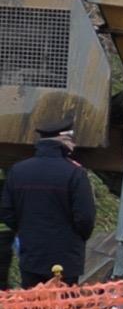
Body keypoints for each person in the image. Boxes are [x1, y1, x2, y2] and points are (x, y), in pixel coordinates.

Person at [0, 118, 96, 288]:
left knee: (33, 305)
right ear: (63, 141)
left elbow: (6, 210)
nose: (73, 146)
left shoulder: (18, 170)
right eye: (71, 141)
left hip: (31, 255)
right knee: (62, 307)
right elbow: (85, 217)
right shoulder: (75, 173)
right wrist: (75, 238)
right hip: (67, 256)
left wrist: (25, 230)